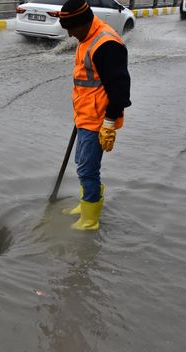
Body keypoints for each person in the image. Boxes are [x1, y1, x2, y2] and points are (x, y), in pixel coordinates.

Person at [57, 0, 131, 230]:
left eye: (70, 28)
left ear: (83, 23)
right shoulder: (87, 36)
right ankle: (87, 201)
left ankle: (90, 219)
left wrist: (109, 122)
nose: (69, 34)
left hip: (98, 119)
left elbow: (120, 89)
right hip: (85, 114)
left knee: (87, 169)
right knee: (83, 163)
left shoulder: (106, 44)